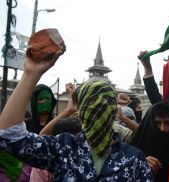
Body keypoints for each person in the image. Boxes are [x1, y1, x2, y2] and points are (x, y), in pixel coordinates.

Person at [0, 47, 153, 181]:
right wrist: (31, 74)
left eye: (104, 106)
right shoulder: (63, 149)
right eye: (91, 106)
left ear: (114, 114)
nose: (98, 112)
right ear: (81, 116)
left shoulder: (134, 160)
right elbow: (10, 136)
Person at [131, 102, 169, 182]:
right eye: (158, 123)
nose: (162, 128)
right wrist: (141, 161)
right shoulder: (135, 148)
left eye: (167, 123)